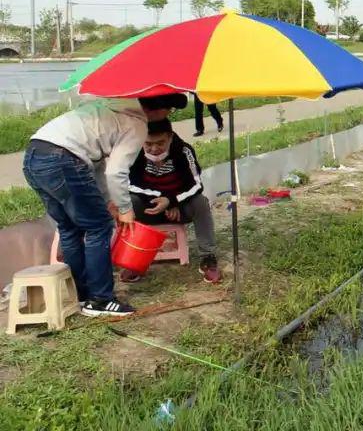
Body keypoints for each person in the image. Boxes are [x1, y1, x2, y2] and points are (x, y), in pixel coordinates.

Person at [22, 93, 187, 317]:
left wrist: (110, 200)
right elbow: (115, 171)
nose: (168, 115)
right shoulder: (137, 124)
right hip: (63, 159)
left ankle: (80, 295)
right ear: (159, 110)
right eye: (170, 110)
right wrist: (125, 209)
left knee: (70, 228)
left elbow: (96, 163)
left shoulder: (107, 105)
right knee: (99, 227)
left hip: (35, 155)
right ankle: (101, 299)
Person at [126, 119, 221, 284]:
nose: (154, 149)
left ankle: (208, 257)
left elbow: (196, 184)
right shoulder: (134, 151)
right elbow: (130, 185)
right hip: (150, 207)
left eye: (160, 143)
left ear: (170, 137)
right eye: (148, 144)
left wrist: (172, 201)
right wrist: (164, 201)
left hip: (181, 207)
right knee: (128, 203)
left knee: (201, 202)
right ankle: (134, 259)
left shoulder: (184, 151)